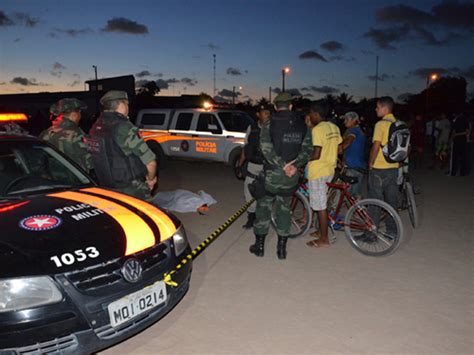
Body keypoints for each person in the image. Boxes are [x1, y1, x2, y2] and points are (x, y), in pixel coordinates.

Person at [251, 93, 312, 260]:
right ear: (291, 106)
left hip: (272, 175)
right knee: (284, 211)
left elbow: (266, 149)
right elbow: (307, 150)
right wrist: (294, 166)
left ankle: (260, 247)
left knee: (263, 208)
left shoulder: (268, 124)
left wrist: (282, 165)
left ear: (276, 107)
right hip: (291, 176)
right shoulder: (304, 125)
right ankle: (281, 250)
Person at [88, 90, 157, 200]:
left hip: (105, 188)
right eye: (127, 104)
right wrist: (151, 180)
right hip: (130, 189)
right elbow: (150, 162)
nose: (128, 108)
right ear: (121, 105)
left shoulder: (96, 126)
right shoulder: (123, 127)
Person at [305, 104, 342, 248]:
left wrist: (302, 160)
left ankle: (324, 238)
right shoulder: (334, 127)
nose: (309, 117)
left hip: (318, 171)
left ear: (316, 114)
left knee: (320, 206)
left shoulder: (318, 129)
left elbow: (316, 154)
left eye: (310, 114)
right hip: (329, 170)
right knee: (321, 201)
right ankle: (321, 230)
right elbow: (339, 149)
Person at [366, 96, 400, 241]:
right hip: (393, 167)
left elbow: (375, 146)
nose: (376, 109)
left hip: (379, 168)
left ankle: (371, 234)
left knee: (374, 202)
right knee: (392, 201)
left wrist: (370, 163)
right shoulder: (399, 124)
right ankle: (392, 231)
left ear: (385, 109)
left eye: (378, 107)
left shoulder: (381, 124)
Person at [240, 104, 272, 229]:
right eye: (265, 113)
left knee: (265, 195)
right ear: (258, 114)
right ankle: (251, 218)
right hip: (252, 165)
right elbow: (246, 145)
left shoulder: (273, 128)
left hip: (267, 166)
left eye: (269, 113)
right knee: (248, 192)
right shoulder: (251, 128)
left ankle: (263, 219)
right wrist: (240, 163)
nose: (268, 116)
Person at [40, 98, 92, 172]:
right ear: (74, 115)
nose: (80, 117)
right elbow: (89, 162)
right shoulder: (75, 133)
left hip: (53, 177)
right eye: (79, 113)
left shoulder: (46, 132)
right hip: (75, 178)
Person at [340, 111, 366, 198]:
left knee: (348, 195)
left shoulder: (352, 130)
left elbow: (348, 141)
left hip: (352, 167)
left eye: (347, 119)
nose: (344, 122)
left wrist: (335, 151)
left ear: (354, 120)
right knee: (355, 195)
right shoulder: (359, 130)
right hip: (358, 166)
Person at [448, 112, 469, 176]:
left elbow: (454, 132)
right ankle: (462, 172)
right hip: (463, 141)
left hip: (457, 141)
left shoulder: (457, 121)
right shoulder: (465, 121)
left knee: (455, 157)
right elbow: (467, 132)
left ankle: (453, 172)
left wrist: (451, 139)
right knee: (462, 157)